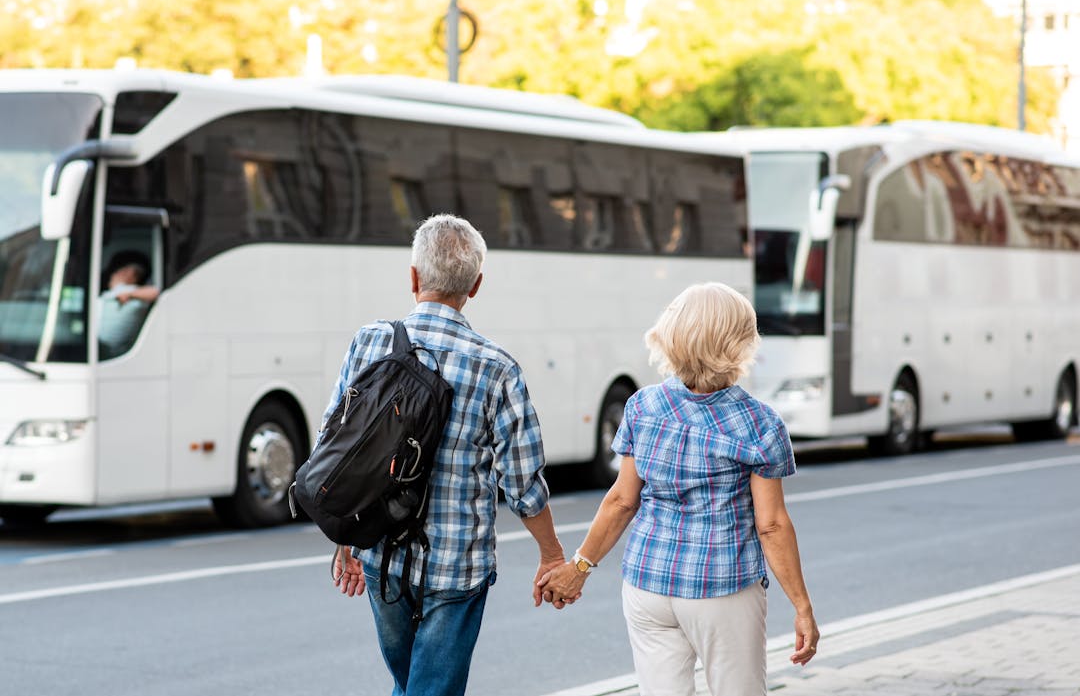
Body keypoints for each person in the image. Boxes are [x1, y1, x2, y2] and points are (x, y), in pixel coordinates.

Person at [538, 282, 819, 696]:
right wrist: (802, 606)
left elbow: (620, 501)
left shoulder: (642, 407)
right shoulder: (759, 423)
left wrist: (579, 568)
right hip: (721, 587)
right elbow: (772, 525)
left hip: (647, 586)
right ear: (739, 343)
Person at [328, 214, 566, 696]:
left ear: (413, 277)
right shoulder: (495, 367)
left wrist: (345, 540)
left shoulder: (370, 341)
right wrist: (551, 554)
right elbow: (522, 481)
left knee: (412, 685)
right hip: (456, 566)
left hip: (381, 553)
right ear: (476, 285)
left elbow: (337, 447)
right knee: (428, 689)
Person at [98, 250, 159, 358]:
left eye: (120, 271)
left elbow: (155, 292)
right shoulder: (108, 295)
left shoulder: (133, 295)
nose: (113, 274)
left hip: (111, 353)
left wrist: (129, 294)